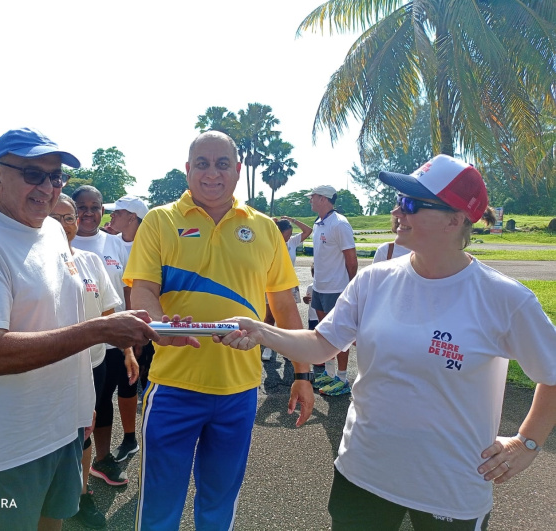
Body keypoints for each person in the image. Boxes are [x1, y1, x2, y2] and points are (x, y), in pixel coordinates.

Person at [219, 154, 556, 530]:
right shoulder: (373, 281)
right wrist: (262, 330)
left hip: (450, 486)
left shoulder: (504, 299)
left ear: (455, 219)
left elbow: (553, 372)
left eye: (411, 203)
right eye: (399, 200)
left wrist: (527, 443)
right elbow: (320, 344)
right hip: (363, 472)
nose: (398, 210)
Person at [0, 127, 161, 531]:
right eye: (33, 174)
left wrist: (82, 408)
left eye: (56, 176)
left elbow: (64, 317)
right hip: (13, 443)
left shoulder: (53, 231)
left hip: (64, 428)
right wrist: (100, 331)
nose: (48, 186)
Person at [125, 131, 315, 530]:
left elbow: (284, 306)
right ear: (187, 169)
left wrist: (302, 373)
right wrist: (159, 327)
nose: (212, 173)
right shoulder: (161, 220)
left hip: (239, 390)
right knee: (160, 505)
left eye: (222, 163)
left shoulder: (263, 228)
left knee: (218, 504)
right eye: (203, 164)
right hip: (174, 385)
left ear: (238, 170)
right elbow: (142, 288)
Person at [50, 194, 121, 529]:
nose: (64, 225)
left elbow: (109, 310)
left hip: (93, 363)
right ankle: (47, 497)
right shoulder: (27, 263)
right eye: (55, 217)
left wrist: (130, 351)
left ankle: (79, 495)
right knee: (50, 435)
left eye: (69, 217)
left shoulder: (91, 260)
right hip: (47, 367)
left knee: (84, 430)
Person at [70, 186, 136, 487]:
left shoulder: (115, 243)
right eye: (80, 207)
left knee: (103, 401)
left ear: (102, 211)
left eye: (94, 206)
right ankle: (69, 469)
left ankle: (101, 459)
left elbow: (128, 289)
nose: (87, 213)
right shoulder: (59, 243)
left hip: (113, 339)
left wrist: (130, 340)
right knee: (78, 405)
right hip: (73, 342)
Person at [104, 194, 154, 456]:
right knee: (109, 387)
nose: (111, 216)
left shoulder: (149, 246)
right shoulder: (109, 242)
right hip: (112, 327)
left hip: (141, 328)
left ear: (132, 218)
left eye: (118, 212)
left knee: (134, 383)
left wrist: (138, 334)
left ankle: (135, 437)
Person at [307, 184, 358, 395]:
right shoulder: (318, 223)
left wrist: (352, 290)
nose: (310, 200)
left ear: (323, 199)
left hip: (336, 289)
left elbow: (352, 261)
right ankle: (328, 374)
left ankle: (342, 378)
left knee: (339, 334)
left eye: (313, 197)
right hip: (320, 288)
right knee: (324, 333)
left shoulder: (340, 224)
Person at [261, 215, 312, 361]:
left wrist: (292, 220)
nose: (289, 237)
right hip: (271, 284)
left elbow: (308, 230)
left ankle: (288, 349)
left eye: (291, 234)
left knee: (287, 319)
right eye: (287, 234)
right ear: (278, 232)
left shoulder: (292, 243)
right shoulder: (269, 242)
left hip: (289, 284)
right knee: (269, 317)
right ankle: (269, 348)